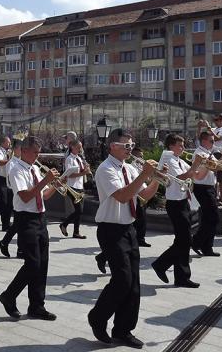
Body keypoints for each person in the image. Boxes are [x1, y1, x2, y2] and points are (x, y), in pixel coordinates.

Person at [87, 130, 160, 346]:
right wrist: (144, 174)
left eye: (131, 145)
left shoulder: (129, 168)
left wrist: (155, 178)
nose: (130, 149)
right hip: (110, 230)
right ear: (112, 146)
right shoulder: (105, 169)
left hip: (129, 229)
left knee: (134, 284)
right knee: (122, 280)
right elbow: (122, 196)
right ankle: (97, 317)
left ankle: (123, 330)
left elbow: (144, 196)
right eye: (125, 145)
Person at [0, 136, 60, 321]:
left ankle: (37, 306)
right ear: (24, 151)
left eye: (38, 152)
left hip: (41, 218)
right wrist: (45, 181)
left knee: (42, 264)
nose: (37, 156)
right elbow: (25, 196)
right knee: (32, 263)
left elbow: (43, 195)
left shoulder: (34, 169)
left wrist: (55, 185)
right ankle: (8, 296)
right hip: (26, 219)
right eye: (34, 152)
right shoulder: (16, 168)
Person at [152, 134, 206, 288]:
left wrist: (205, 165)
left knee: (182, 240)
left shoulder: (179, 160)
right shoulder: (169, 159)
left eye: (183, 145)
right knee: (185, 240)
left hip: (184, 202)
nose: (183, 148)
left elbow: (195, 175)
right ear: (171, 146)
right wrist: (195, 164)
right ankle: (161, 264)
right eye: (180, 145)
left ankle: (180, 276)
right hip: (175, 204)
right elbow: (182, 176)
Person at [191, 131, 222, 257]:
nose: (214, 143)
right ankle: (196, 242)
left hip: (209, 188)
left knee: (210, 219)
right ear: (204, 141)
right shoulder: (200, 153)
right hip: (202, 187)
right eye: (212, 141)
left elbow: (219, 167)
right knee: (213, 218)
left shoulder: (208, 153)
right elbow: (215, 167)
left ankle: (207, 247)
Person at [0, 138, 23, 258]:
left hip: (19, 193)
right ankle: (16, 248)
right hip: (14, 192)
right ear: (15, 149)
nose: (23, 151)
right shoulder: (12, 162)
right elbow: (10, 181)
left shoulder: (20, 161)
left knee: (19, 223)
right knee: (19, 222)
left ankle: (6, 243)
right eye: (21, 149)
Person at [60, 139, 89, 239]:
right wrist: (83, 173)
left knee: (80, 211)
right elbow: (70, 175)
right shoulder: (69, 159)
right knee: (79, 210)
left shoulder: (79, 158)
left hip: (80, 186)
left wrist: (86, 169)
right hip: (72, 187)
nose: (80, 149)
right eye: (78, 147)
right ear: (72, 147)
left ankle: (76, 232)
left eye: (81, 147)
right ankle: (64, 224)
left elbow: (81, 172)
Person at [199, 114, 222, 203]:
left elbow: (215, 139)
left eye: (217, 120)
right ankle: (215, 197)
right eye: (214, 120)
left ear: (221, 120)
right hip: (211, 153)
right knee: (213, 177)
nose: (215, 122)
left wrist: (208, 127)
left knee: (221, 178)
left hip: (219, 154)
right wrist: (201, 127)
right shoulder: (214, 129)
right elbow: (203, 137)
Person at [131, 147, 150, 247]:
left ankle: (141, 239)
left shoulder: (142, 166)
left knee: (143, 218)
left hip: (143, 193)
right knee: (137, 218)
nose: (142, 158)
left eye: (142, 156)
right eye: (140, 156)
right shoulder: (132, 167)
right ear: (134, 156)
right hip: (136, 195)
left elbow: (147, 180)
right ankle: (135, 239)